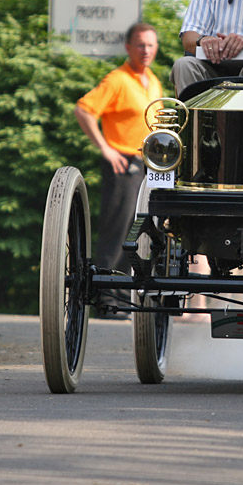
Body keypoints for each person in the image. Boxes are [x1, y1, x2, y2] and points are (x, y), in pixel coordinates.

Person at [74, 22, 162, 296]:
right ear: (128, 47)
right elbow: (84, 109)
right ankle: (104, 295)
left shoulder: (153, 80)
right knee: (118, 230)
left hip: (149, 166)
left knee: (140, 232)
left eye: (150, 44)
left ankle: (123, 297)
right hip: (123, 163)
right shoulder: (117, 80)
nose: (145, 50)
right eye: (140, 45)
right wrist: (105, 148)